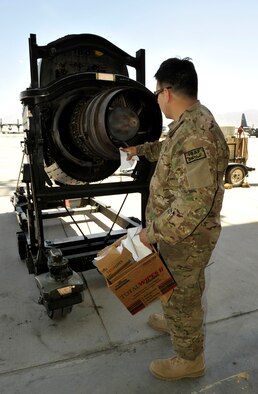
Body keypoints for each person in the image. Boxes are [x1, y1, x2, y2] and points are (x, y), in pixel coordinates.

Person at [122, 57, 229, 381]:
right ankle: (173, 320)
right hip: (176, 236)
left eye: (156, 93)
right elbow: (169, 150)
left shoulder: (196, 133)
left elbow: (194, 204)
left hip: (186, 238)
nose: (156, 99)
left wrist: (150, 234)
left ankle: (189, 358)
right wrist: (140, 150)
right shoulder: (189, 124)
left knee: (184, 294)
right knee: (171, 285)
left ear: (167, 92)